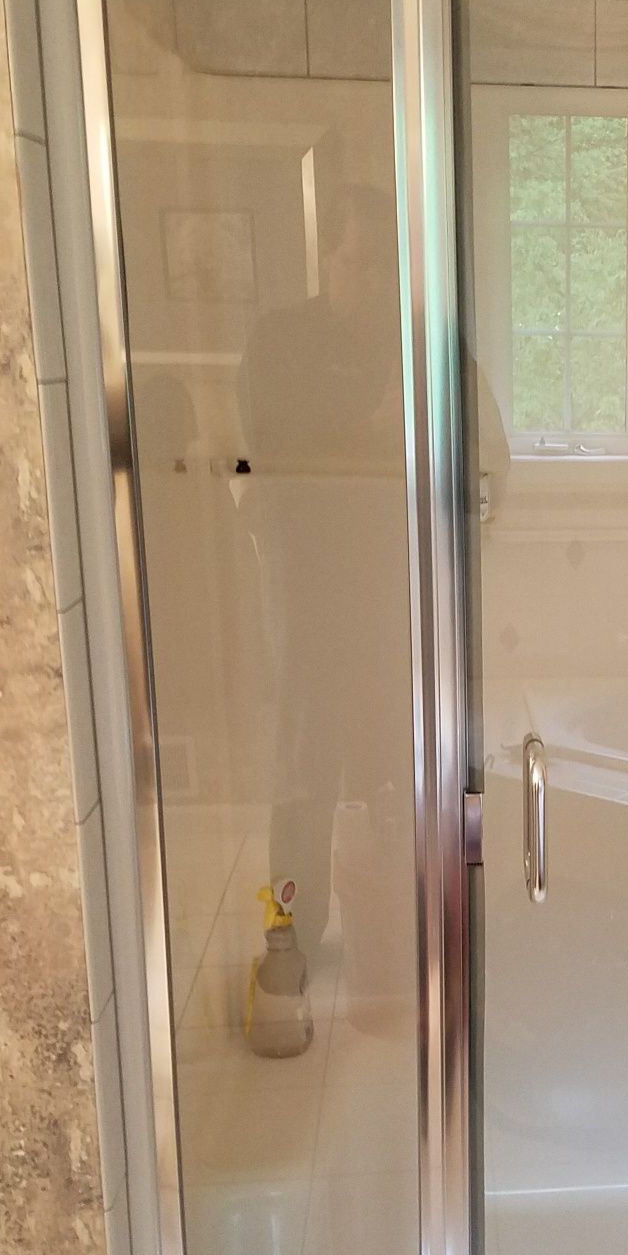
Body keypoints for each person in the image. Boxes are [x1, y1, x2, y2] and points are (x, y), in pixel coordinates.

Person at [238, 181, 412, 962]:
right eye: (359, 263)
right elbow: (265, 446)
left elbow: (480, 444)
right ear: (329, 257)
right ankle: (290, 938)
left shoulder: (413, 343)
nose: (372, 283)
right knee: (304, 777)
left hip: (392, 590)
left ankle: (404, 939)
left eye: (386, 268)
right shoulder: (279, 340)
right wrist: (367, 426)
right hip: (307, 590)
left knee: (397, 770)